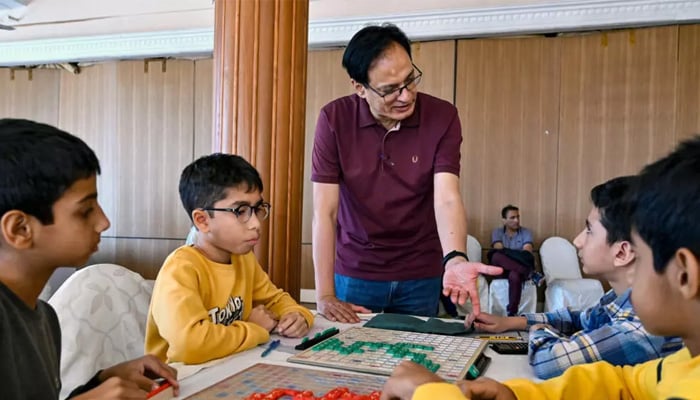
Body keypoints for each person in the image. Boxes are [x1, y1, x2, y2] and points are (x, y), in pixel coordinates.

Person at [380, 135, 700, 400]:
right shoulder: (682, 365)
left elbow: (557, 362)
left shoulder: (642, 335)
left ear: (684, 274)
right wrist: (516, 394)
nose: (577, 241)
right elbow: (626, 383)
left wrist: (431, 392)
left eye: (641, 259)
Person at [311, 23, 501, 323]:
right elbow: (325, 211)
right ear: (359, 87)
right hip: (358, 270)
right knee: (351, 361)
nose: (405, 96)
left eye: (410, 80)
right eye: (389, 90)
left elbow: (447, 198)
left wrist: (455, 259)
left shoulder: (442, 116)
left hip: (420, 271)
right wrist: (324, 294)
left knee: (415, 360)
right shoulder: (334, 119)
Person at [0, 118, 179, 399]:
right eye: (85, 211)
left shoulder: (44, 318)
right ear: (20, 229)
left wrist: (102, 382)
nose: (103, 222)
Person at [474, 177, 682, 378]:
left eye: (589, 230)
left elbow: (547, 362)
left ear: (622, 253)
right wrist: (510, 322)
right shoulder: (625, 299)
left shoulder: (641, 329)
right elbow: (579, 318)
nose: (577, 241)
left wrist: (540, 330)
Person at [145, 153, 314, 364]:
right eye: (241, 211)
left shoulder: (243, 259)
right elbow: (189, 345)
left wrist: (297, 316)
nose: (256, 224)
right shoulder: (181, 269)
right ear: (202, 220)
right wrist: (255, 329)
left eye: (257, 209)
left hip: (228, 368)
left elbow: (276, 300)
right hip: (180, 383)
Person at [488, 205, 542, 316]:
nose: (516, 220)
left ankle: (512, 312)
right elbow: (499, 248)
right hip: (502, 269)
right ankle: (530, 273)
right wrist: (516, 254)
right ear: (504, 220)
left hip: (517, 267)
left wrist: (508, 253)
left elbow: (527, 252)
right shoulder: (497, 232)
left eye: (518, 217)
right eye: (512, 218)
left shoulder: (526, 232)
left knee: (515, 275)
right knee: (496, 256)